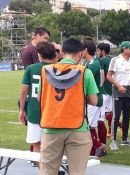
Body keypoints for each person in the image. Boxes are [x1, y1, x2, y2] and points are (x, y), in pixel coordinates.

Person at [38, 38, 98, 175]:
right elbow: (94, 101)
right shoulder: (85, 72)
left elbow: (38, 97)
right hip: (77, 127)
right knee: (77, 172)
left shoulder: (45, 71)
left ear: (62, 52)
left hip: (51, 126)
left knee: (47, 171)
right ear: (81, 52)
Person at [18, 42, 57, 167]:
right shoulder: (57, 67)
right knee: (53, 144)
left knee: (36, 143)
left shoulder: (31, 68)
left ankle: (42, 170)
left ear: (39, 54)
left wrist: (22, 110)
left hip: (35, 110)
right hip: (53, 110)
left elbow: (24, 90)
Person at [107, 41, 130, 150]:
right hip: (117, 90)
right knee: (116, 117)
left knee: (127, 116)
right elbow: (109, 76)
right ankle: (113, 140)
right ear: (124, 49)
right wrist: (119, 86)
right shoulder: (115, 60)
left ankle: (124, 139)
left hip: (129, 91)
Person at [81, 39, 106, 157]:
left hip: (93, 99)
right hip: (95, 97)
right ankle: (93, 150)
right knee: (91, 126)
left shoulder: (93, 64)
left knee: (85, 127)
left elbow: (83, 80)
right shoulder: (92, 62)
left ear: (85, 50)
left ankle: (98, 146)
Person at [97, 43, 122, 140]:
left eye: (98, 51)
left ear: (102, 51)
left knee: (105, 113)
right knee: (109, 111)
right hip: (112, 89)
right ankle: (111, 131)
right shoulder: (112, 59)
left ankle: (121, 126)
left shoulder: (102, 60)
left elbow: (102, 75)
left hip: (105, 90)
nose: (97, 53)